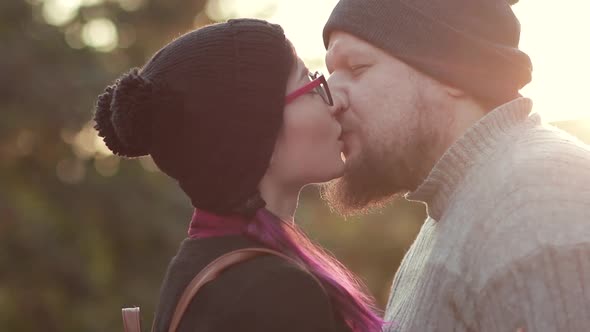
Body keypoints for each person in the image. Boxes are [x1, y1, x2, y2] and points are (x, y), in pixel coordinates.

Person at [93, 19, 383, 332]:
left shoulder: (199, 263)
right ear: (259, 137)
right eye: (311, 86)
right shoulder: (278, 293)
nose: (337, 102)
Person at [321, 0, 590, 331]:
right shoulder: (462, 204)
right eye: (331, 73)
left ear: (452, 71)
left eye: (357, 67)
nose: (330, 100)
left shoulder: (539, 208)